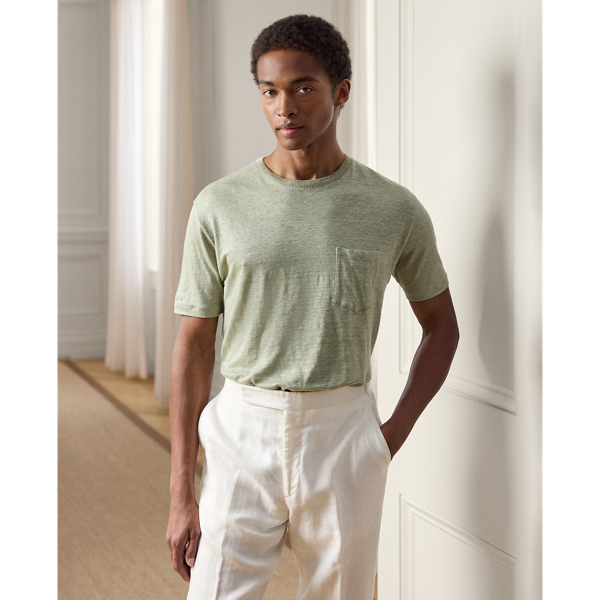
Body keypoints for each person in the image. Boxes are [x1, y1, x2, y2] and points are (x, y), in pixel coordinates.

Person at [166, 14, 459, 600]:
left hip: (343, 434)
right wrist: (180, 493)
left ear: (341, 91)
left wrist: (387, 439)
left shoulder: (393, 209)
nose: (284, 107)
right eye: (269, 91)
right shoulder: (218, 205)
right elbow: (194, 344)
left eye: (303, 87)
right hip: (241, 428)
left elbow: (441, 328)